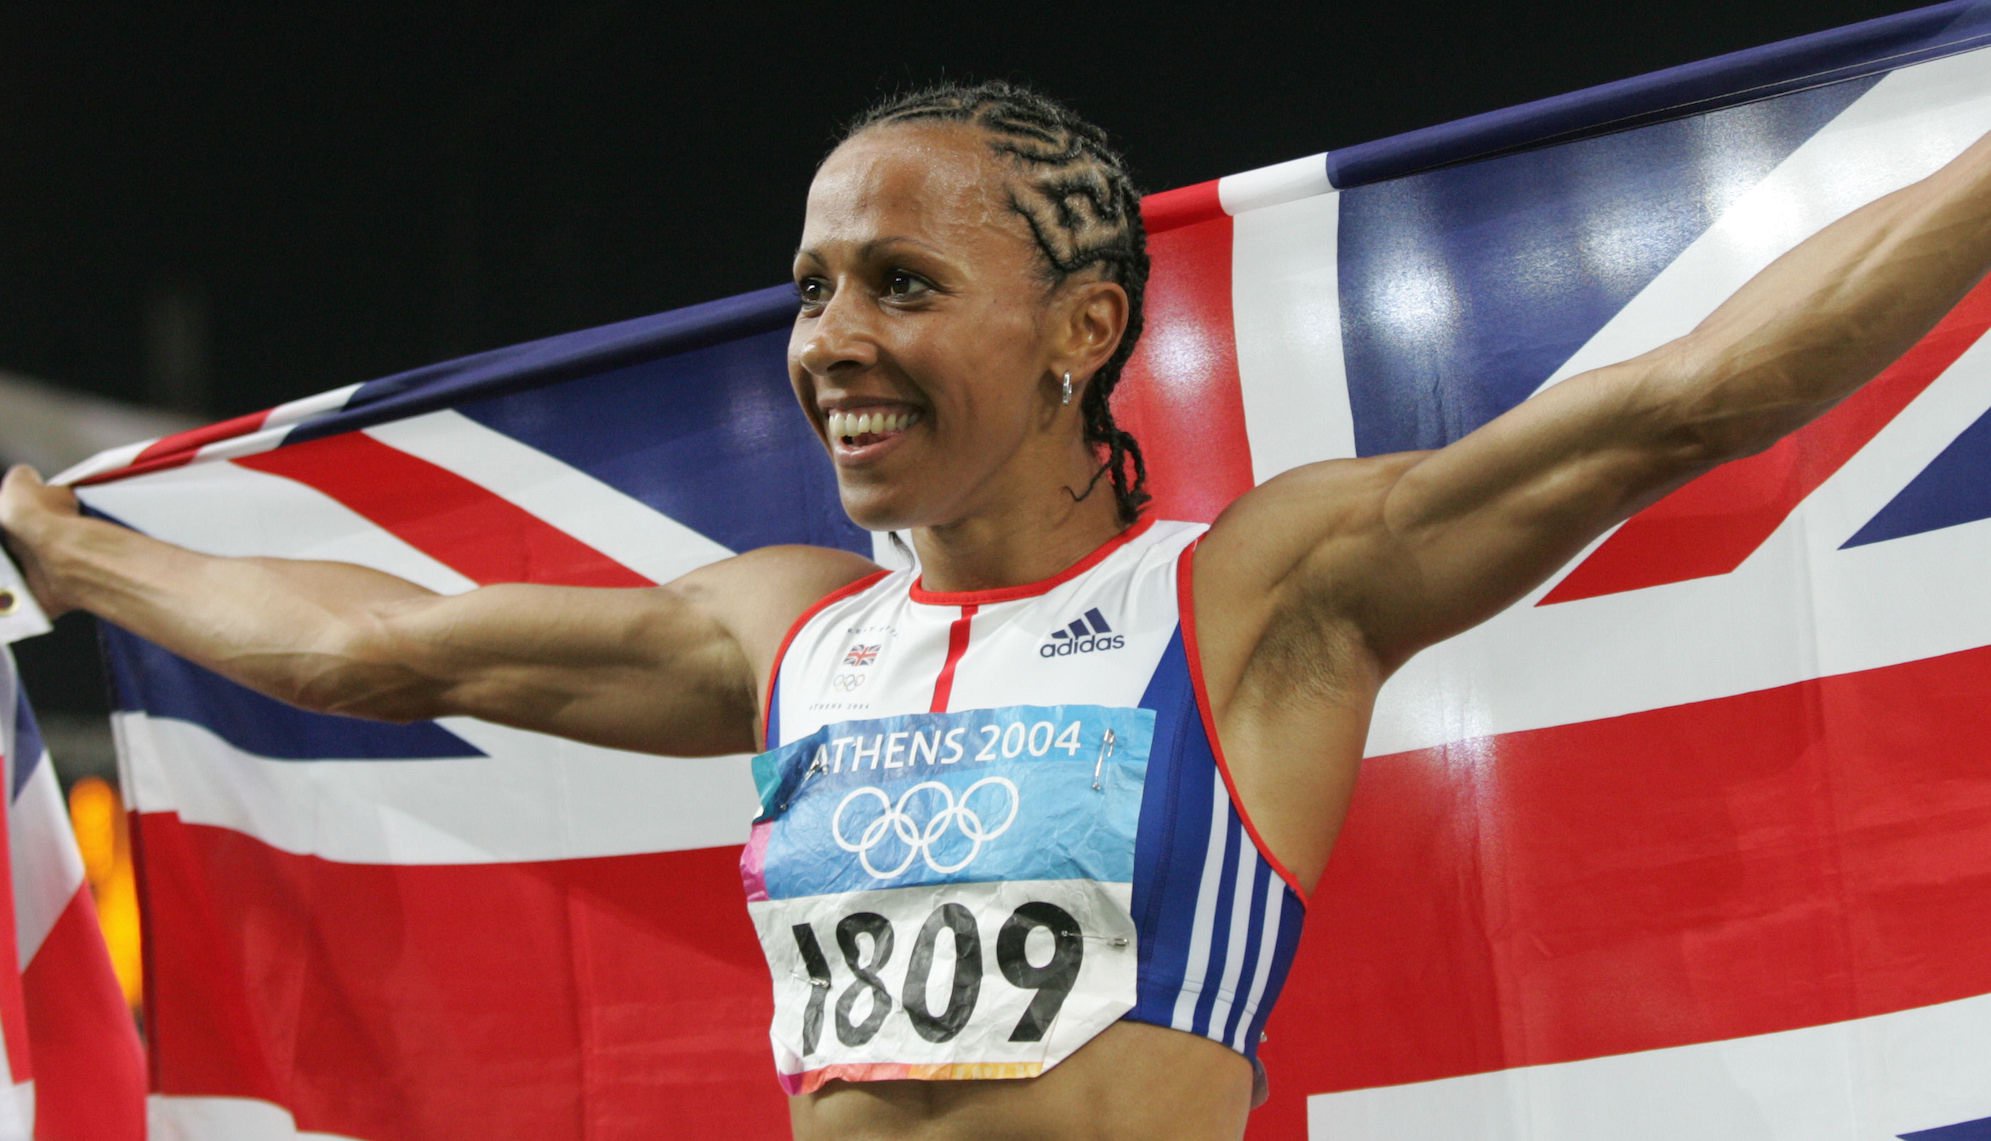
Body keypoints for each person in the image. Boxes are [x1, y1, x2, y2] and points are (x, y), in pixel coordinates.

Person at [4, 81, 1989, 1140]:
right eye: (809, 287)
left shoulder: (1257, 600)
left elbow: (1693, 398)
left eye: (899, 283)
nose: (831, 341)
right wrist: (65, 549)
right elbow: (380, 648)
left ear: (1086, 330)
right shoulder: (780, 633)